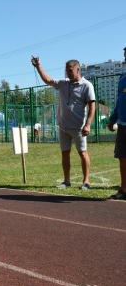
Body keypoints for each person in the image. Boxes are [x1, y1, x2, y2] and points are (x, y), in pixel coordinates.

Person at [31, 56, 96, 190]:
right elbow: (48, 80)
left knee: (82, 153)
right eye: (66, 70)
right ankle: (66, 181)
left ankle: (86, 181)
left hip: (78, 127)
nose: (68, 73)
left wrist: (88, 124)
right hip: (63, 126)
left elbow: (92, 106)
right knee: (65, 153)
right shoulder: (63, 83)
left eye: (70, 70)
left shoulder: (87, 85)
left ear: (78, 70)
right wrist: (38, 66)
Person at [107, 47, 126, 200]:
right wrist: (113, 118)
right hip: (122, 124)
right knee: (122, 157)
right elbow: (119, 100)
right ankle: (124, 189)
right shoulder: (122, 77)